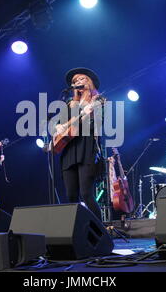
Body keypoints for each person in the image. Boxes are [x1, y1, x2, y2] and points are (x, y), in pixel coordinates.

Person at [54, 67, 106, 221]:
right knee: (71, 195)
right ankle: (77, 231)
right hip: (69, 150)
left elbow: (95, 125)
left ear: (89, 81)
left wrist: (83, 116)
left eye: (81, 79)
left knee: (86, 193)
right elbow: (58, 124)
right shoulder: (70, 103)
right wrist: (59, 127)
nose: (77, 82)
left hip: (86, 149)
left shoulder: (99, 101)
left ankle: (100, 231)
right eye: (75, 81)